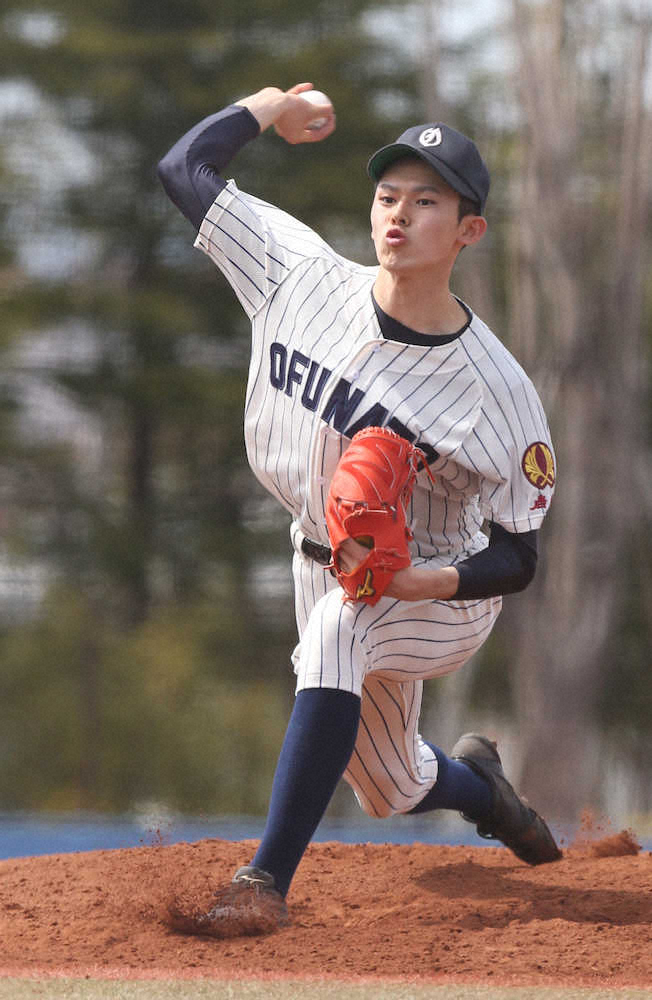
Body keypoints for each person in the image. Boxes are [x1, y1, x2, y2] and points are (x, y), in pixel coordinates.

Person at [158, 82, 561, 937]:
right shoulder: (298, 277)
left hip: (439, 589)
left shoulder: (496, 392)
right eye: (387, 196)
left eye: (427, 201)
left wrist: (423, 581)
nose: (399, 214)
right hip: (317, 558)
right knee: (388, 784)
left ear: (470, 231)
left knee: (341, 632)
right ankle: (484, 790)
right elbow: (184, 168)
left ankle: (263, 883)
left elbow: (520, 556)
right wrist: (270, 104)